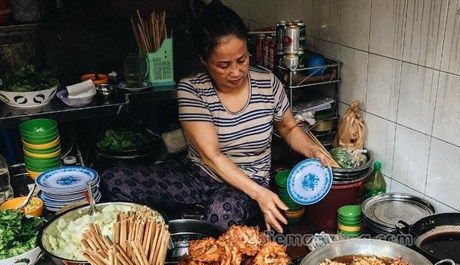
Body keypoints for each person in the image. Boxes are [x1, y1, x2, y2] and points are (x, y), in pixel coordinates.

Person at [102, 0, 331, 232]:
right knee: (114, 180)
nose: (236, 71)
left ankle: (198, 218)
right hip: (198, 176)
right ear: (204, 61)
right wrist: (263, 195)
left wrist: (313, 150)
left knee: (220, 214)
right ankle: (175, 223)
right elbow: (211, 156)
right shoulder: (192, 89)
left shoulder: (267, 82)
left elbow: (289, 128)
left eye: (242, 60)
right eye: (223, 65)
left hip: (248, 181)